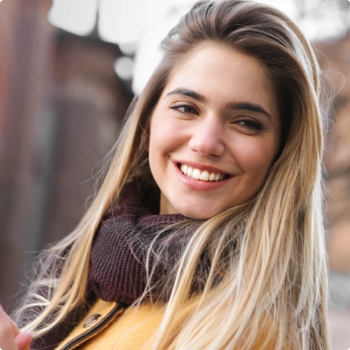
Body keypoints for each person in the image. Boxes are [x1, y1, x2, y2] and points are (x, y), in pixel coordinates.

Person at [0, 0, 330, 349]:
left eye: (246, 123)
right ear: (147, 124)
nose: (205, 143)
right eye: (186, 108)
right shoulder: (86, 269)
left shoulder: (251, 328)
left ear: (282, 152)